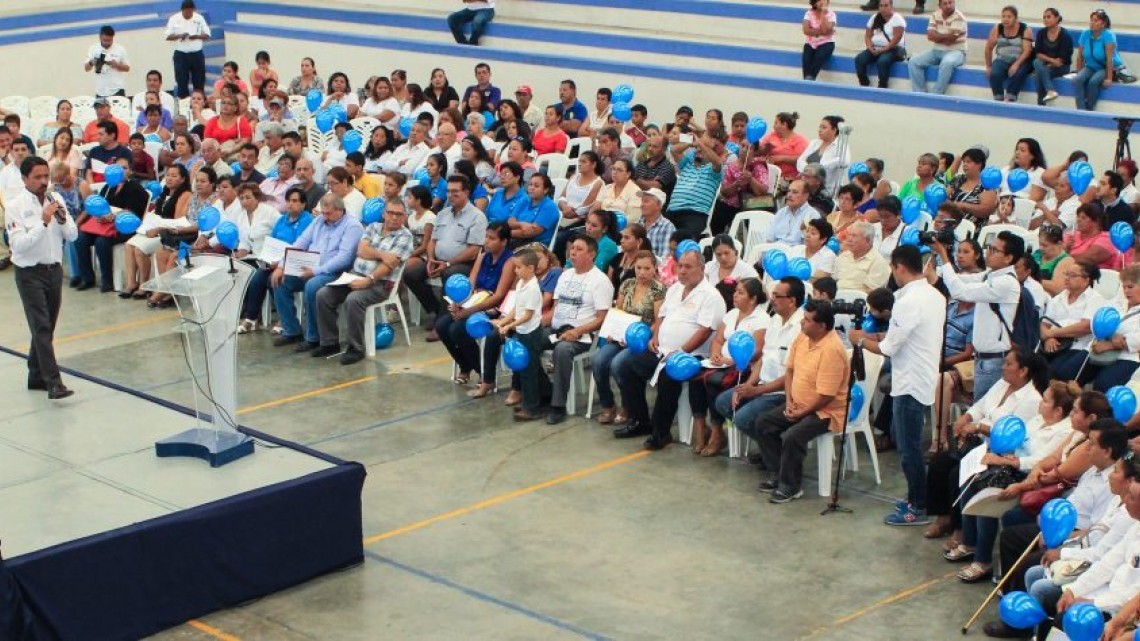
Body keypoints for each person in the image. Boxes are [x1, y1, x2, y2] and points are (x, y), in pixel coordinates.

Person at [850, 245, 947, 525]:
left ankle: (920, 505)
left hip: (909, 382)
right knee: (909, 444)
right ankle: (919, 497)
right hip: (923, 376)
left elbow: (889, 348)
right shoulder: (935, 295)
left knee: (908, 449)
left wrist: (861, 340)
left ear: (900, 267)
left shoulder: (907, 302)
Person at [612, 247, 725, 448]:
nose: (682, 271)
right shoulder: (674, 289)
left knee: (669, 376)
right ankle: (640, 420)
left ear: (701, 268)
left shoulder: (711, 296)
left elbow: (704, 331)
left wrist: (680, 352)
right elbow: (661, 316)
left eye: (688, 267)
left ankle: (660, 432)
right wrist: (655, 337)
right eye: (680, 266)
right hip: (662, 350)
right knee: (625, 365)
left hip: (692, 355)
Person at [749, 300, 850, 502]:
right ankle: (777, 473)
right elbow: (790, 372)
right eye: (803, 318)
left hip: (825, 411)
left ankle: (791, 486)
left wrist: (802, 413)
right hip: (798, 404)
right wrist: (789, 401)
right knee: (764, 422)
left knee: (793, 436)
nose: (802, 322)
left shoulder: (832, 350)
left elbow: (826, 396)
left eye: (808, 320)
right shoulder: (803, 337)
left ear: (821, 326)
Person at [8, 157, 79, 398]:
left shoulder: (55, 199)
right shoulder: (15, 206)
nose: (43, 181)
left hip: (54, 270)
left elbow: (72, 235)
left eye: (46, 176)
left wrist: (62, 219)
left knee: (47, 326)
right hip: (29, 272)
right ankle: (54, 383)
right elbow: (19, 245)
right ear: (24, 179)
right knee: (41, 326)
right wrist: (44, 222)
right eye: (37, 177)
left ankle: (36, 375)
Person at [314, 199, 414, 365]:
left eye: (399, 214)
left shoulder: (405, 236)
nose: (394, 217)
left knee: (354, 300)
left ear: (404, 217)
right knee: (323, 295)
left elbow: (388, 266)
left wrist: (369, 280)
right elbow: (361, 250)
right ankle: (329, 343)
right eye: (390, 213)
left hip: (381, 283)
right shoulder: (373, 227)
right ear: (384, 214)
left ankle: (356, 348)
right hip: (355, 275)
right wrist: (383, 255)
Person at [931, 230, 1024, 398]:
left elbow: (960, 292)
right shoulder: (990, 275)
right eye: (989, 247)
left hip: (993, 360)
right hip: (983, 358)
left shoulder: (1006, 282)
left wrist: (943, 255)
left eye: (995, 250)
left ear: (1008, 258)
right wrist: (935, 260)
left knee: (982, 408)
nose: (988, 252)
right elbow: (960, 279)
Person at [271, 193, 365, 351]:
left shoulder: (352, 226)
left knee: (312, 286)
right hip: (311, 266)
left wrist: (316, 271)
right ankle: (292, 330)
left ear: (340, 210)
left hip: (336, 272)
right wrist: (282, 266)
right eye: (323, 212)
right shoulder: (319, 220)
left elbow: (344, 259)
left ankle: (314, 337)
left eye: (329, 213)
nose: (325, 217)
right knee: (279, 280)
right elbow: (300, 243)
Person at [690, 278, 768, 455]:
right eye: (735, 291)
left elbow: (757, 351)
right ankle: (701, 428)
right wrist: (715, 354)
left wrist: (731, 361)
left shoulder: (761, 319)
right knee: (695, 378)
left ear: (753, 298)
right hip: (721, 364)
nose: (735, 295)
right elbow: (718, 340)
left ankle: (717, 433)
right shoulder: (732, 314)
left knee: (713, 383)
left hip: (744, 369)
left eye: (740, 292)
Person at [437, 222, 517, 394]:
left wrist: (468, 311)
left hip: (493, 309)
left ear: (504, 241)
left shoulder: (510, 261)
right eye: (486, 237)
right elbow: (470, 285)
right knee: (441, 326)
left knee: (458, 329)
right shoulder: (482, 256)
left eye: (492, 238)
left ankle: (483, 372)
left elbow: (499, 296)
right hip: (474, 303)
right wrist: (458, 302)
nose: (486, 241)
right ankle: (465, 365)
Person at [407, 175, 488, 340]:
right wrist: (430, 259)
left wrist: (449, 263)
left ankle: (442, 323)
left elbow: (474, 250)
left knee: (450, 275)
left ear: (466, 193)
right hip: (438, 260)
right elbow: (432, 241)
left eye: (455, 192)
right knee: (410, 274)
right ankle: (437, 310)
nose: (450, 195)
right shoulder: (443, 214)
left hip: (465, 263)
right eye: (448, 191)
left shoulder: (477, 216)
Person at [592, 249, 665, 424]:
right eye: (639, 268)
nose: (642, 272)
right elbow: (619, 312)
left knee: (618, 364)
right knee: (598, 361)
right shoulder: (627, 284)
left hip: (642, 339)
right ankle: (608, 404)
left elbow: (658, 322)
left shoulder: (658, 289)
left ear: (654, 269)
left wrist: (637, 337)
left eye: (647, 268)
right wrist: (614, 330)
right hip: (621, 335)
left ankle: (628, 406)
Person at [237, 186, 312, 332]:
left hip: (297, 260)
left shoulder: (307, 220)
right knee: (257, 277)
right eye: (288, 201)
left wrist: (280, 264)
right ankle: (251, 318)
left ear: (303, 204)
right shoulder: (282, 220)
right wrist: (268, 258)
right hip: (277, 259)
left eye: (295, 201)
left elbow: (300, 246)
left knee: (273, 279)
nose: (290, 204)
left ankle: (283, 319)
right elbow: (272, 241)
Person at [74, 159, 147, 293]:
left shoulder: (136, 188)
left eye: (124, 168)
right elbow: (98, 206)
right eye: (117, 167)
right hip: (104, 225)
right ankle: (87, 277)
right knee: (81, 238)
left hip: (125, 227)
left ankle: (107, 280)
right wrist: (99, 215)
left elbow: (132, 212)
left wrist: (113, 216)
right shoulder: (108, 187)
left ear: (130, 170)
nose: (120, 171)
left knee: (101, 242)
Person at [491, 250, 548, 420]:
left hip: (531, 333)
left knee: (529, 371)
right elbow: (516, 308)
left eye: (518, 267)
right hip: (522, 332)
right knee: (527, 369)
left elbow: (527, 315)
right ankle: (541, 398)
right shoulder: (521, 283)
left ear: (530, 268)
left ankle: (532, 407)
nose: (515, 270)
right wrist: (503, 321)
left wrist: (510, 325)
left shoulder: (533, 288)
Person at [1040, 261, 1104, 381]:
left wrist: (1052, 333)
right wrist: (1048, 338)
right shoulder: (1058, 298)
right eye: (1066, 274)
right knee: (1034, 368)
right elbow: (1044, 324)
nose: (1067, 278)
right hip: (1055, 344)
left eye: (1073, 275)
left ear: (1086, 280)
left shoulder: (1095, 299)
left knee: (1056, 373)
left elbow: (1085, 327)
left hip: (1079, 346)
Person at [1086, 264, 1140, 391]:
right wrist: (1112, 335)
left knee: (1103, 385)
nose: (1126, 291)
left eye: (1130, 287)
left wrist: (1111, 345)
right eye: (1124, 287)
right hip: (1100, 350)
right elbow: (1096, 319)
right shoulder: (1118, 301)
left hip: (1128, 357)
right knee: (1067, 371)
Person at [664, 127, 726, 238]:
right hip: (672, 211)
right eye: (697, 148)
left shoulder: (713, 170)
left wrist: (701, 143)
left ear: (711, 152)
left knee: (682, 238)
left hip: (695, 214)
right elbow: (674, 150)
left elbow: (717, 162)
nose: (698, 150)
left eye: (703, 149)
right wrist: (690, 142)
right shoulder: (687, 164)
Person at [907, 0, 968, 95]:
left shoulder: (959, 17)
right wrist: (945, 36)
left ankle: (936, 94)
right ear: (939, 6)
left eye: (950, 2)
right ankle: (920, 94)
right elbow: (930, 36)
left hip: (956, 51)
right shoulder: (935, 15)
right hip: (936, 50)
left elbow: (950, 40)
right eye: (945, 3)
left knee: (947, 63)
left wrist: (937, 36)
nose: (948, 6)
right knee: (913, 62)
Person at [713, 141, 771, 234]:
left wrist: (751, 179)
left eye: (749, 148)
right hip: (731, 205)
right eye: (743, 146)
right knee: (719, 207)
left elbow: (763, 192)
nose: (744, 150)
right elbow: (724, 192)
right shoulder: (731, 166)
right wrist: (736, 185)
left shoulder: (758, 166)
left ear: (755, 151)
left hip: (751, 205)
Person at [1072, 9, 1119, 111]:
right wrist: (1078, 72)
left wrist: (1109, 78)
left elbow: (1109, 59)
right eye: (1091, 20)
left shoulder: (1108, 35)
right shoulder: (1085, 34)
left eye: (1096, 20)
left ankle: (1089, 108)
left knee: (1093, 82)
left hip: (1104, 67)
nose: (1092, 23)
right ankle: (1081, 109)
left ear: (1103, 24)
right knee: (1078, 80)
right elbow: (1080, 56)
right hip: (1090, 66)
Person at [986, 7, 1036, 103]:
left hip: (1021, 59)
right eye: (1003, 16)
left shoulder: (1025, 29)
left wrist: (1016, 64)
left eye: (1009, 17)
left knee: (1019, 73)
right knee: (994, 73)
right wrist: (988, 66)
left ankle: (1010, 97)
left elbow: (1027, 50)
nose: (1005, 19)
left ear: (1015, 18)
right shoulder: (998, 28)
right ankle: (998, 99)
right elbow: (988, 48)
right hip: (1002, 59)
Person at [856, 0, 907, 89]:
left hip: (893, 49)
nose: (883, 8)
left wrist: (883, 49)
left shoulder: (897, 19)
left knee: (882, 61)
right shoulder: (874, 17)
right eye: (881, 6)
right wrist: (870, 47)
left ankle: (882, 86)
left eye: (886, 5)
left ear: (891, 6)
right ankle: (864, 84)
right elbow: (868, 36)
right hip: (876, 47)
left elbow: (897, 38)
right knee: (859, 59)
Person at [166, 0, 210, 98]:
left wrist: (197, 36)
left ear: (194, 10)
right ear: (182, 10)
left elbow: (207, 35)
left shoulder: (199, 18)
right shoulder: (174, 19)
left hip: (196, 54)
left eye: (190, 12)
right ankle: (184, 102)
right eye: (186, 12)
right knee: (182, 82)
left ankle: (199, 101)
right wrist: (180, 35)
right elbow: (168, 36)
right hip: (181, 54)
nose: (188, 14)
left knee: (199, 82)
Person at [796, 116, 849, 199]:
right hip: (806, 185)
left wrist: (819, 168)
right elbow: (800, 160)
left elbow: (844, 161)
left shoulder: (841, 146)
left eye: (824, 127)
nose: (820, 130)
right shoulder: (814, 143)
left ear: (834, 130)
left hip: (826, 191)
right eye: (820, 127)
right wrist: (808, 171)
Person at [833, 221, 890, 293]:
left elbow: (870, 292)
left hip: (857, 298)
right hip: (835, 296)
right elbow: (833, 280)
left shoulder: (878, 262)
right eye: (849, 235)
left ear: (867, 240)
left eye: (854, 236)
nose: (849, 239)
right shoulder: (843, 256)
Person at [1033, 8, 1075, 105]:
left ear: (1057, 18)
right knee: (1036, 63)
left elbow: (1061, 61)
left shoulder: (1065, 35)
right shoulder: (1041, 33)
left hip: (1062, 68)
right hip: (1044, 64)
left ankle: (1041, 104)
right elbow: (1038, 54)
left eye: (1049, 17)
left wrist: (1048, 64)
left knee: (1039, 71)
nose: (1046, 19)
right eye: (1044, 17)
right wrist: (1051, 61)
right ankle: (1050, 90)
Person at [948, 147, 998, 226]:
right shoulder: (958, 179)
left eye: (968, 162)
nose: (964, 165)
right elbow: (945, 196)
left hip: (974, 227)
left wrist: (963, 206)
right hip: (951, 223)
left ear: (979, 164)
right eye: (963, 162)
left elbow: (986, 210)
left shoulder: (986, 184)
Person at [765, 180, 820, 245]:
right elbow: (769, 239)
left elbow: (811, 246)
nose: (789, 195)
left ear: (806, 196)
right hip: (775, 249)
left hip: (797, 250)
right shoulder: (781, 212)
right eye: (789, 191)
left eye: (795, 192)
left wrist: (804, 230)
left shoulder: (813, 215)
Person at [85, 25, 130, 98]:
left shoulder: (120, 49)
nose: (107, 43)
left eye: (109, 40)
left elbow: (127, 68)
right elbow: (86, 68)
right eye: (105, 40)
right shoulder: (93, 48)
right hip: (100, 91)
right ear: (100, 37)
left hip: (117, 90)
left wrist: (117, 65)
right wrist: (91, 62)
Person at [637, 188, 677, 260]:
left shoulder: (667, 227)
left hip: (654, 266)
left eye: (646, 201)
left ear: (658, 205)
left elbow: (665, 259)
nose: (642, 205)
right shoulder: (637, 225)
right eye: (642, 201)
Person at [801, 0, 837, 81]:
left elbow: (825, 30)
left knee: (819, 57)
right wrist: (823, 32)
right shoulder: (809, 13)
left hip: (826, 43)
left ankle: (810, 78)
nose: (822, 2)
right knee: (806, 59)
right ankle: (807, 81)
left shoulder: (832, 14)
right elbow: (806, 30)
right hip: (810, 43)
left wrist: (823, 14)